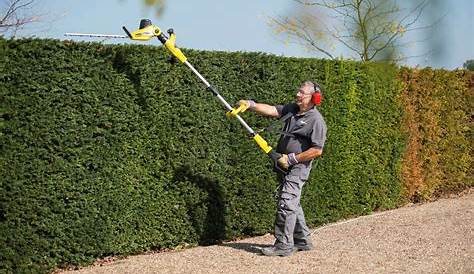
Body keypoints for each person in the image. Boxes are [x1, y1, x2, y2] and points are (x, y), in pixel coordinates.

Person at [239, 81, 327, 256]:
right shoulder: (293, 109)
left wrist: (292, 159)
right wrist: (251, 105)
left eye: (302, 93)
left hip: (298, 167)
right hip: (282, 163)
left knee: (286, 203)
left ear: (314, 98)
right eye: (298, 91)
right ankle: (302, 241)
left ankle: (283, 245)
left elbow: (317, 150)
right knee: (291, 202)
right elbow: (273, 110)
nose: (297, 95)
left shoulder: (316, 121)